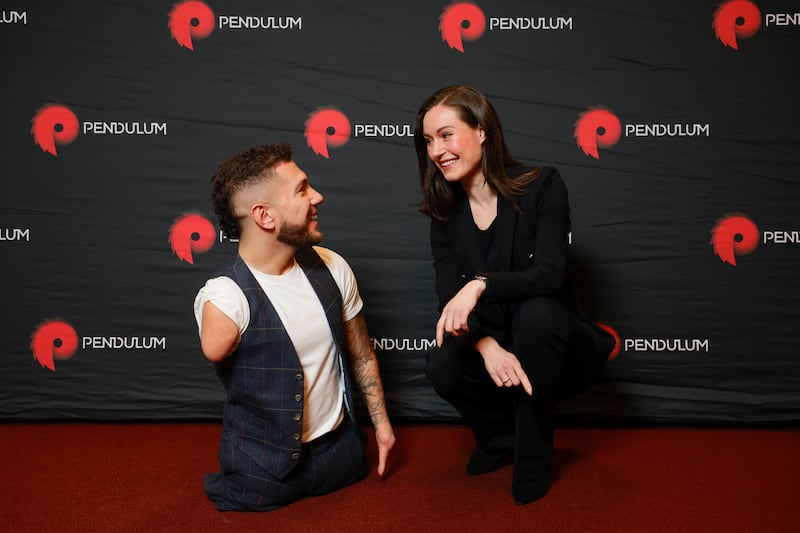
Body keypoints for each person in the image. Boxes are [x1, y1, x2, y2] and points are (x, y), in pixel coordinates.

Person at [413, 86, 614, 505]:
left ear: (482, 131)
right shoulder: (445, 216)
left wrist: (481, 283)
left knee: (536, 315)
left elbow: (549, 276)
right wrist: (486, 347)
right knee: (442, 360)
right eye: (429, 141)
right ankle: (501, 439)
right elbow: (448, 300)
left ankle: (532, 456)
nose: (437, 150)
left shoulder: (543, 186)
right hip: (498, 347)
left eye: (447, 135)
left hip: (558, 347)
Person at [193, 143, 396, 511]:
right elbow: (215, 347)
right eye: (302, 189)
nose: (317, 196)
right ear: (265, 216)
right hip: (263, 475)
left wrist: (381, 426)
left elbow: (362, 353)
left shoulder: (332, 266)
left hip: (344, 459)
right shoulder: (225, 298)